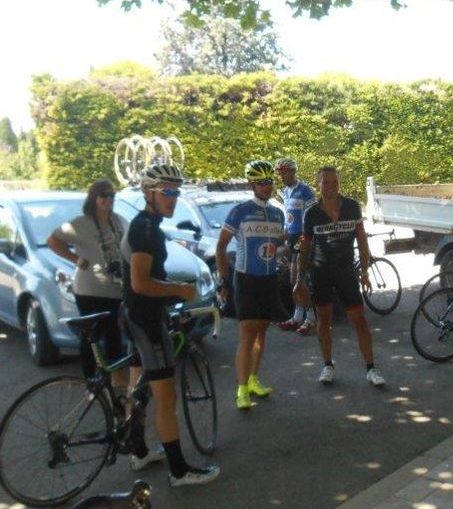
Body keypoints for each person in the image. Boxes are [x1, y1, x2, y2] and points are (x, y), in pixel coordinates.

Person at [123, 161, 219, 486]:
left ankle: (137, 451)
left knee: (138, 388)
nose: (173, 198)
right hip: (146, 321)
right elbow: (140, 282)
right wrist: (179, 290)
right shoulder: (145, 229)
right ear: (148, 193)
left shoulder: (146, 224)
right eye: (166, 192)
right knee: (166, 397)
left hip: (136, 317)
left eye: (176, 192)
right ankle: (179, 471)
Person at [295, 166, 386, 388]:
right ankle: (327, 365)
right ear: (318, 184)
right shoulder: (312, 213)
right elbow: (305, 249)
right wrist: (299, 281)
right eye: (326, 182)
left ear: (339, 183)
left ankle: (371, 368)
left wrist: (364, 272)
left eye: (334, 182)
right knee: (324, 320)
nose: (330, 186)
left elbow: (362, 241)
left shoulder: (352, 206)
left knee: (359, 320)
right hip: (321, 271)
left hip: (346, 271)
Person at [215, 160, 286, 411]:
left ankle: (254, 379)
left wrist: (291, 247)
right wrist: (224, 279)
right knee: (247, 333)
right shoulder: (240, 211)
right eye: (262, 182)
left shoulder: (278, 213)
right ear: (252, 184)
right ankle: (241, 389)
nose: (267, 186)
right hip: (245, 279)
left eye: (270, 182)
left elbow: (278, 245)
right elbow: (221, 246)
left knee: (262, 331)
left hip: (269, 278)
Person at [47, 179, 128, 390]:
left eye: (111, 196)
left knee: (113, 333)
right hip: (89, 290)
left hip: (115, 289)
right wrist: (75, 260)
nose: (108, 200)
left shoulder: (119, 221)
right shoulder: (80, 223)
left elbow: (129, 247)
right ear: (94, 198)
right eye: (103, 195)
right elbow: (53, 241)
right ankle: (90, 378)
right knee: (91, 335)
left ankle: (116, 375)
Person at [273, 157, 317, 335]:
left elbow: (312, 216)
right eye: (280, 173)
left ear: (293, 172)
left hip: (303, 239)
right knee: (293, 280)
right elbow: (288, 216)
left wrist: (308, 238)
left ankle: (311, 318)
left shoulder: (305, 191)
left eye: (284, 173)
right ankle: (297, 317)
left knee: (299, 281)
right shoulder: (286, 192)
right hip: (291, 239)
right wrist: (283, 235)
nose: (282, 176)